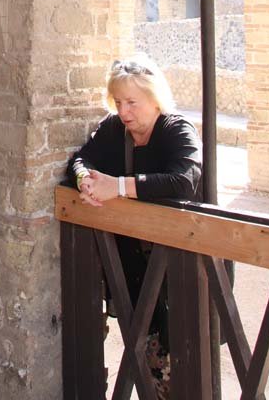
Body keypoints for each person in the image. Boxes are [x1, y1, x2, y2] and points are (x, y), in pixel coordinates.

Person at [66, 56, 202, 399]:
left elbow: (183, 180)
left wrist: (120, 187)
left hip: (176, 269)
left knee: (180, 361)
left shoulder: (176, 129)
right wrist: (84, 179)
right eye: (118, 102)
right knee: (141, 352)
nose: (124, 112)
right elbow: (80, 159)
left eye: (132, 103)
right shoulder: (115, 129)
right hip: (131, 266)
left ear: (154, 99)